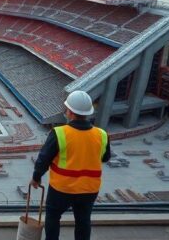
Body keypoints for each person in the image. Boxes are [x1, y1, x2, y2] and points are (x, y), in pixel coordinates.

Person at [29, 90, 110, 240]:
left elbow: (43, 159)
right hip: (89, 189)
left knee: (53, 217)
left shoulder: (59, 133)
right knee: (83, 220)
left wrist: (36, 177)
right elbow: (105, 158)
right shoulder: (102, 134)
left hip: (62, 188)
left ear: (70, 112)